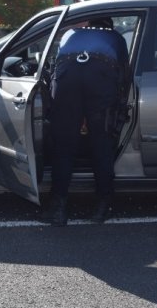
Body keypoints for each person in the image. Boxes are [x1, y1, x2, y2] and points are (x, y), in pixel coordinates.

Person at [42, 17, 129, 226]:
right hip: (101, 74)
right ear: (109, 26)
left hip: (68, 73)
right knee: (101, 141)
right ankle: (101, 207)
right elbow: (125, 75)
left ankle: (59, 208)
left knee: (65, 143)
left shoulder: (70, 35)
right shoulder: (115, 37)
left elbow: (53, 71)